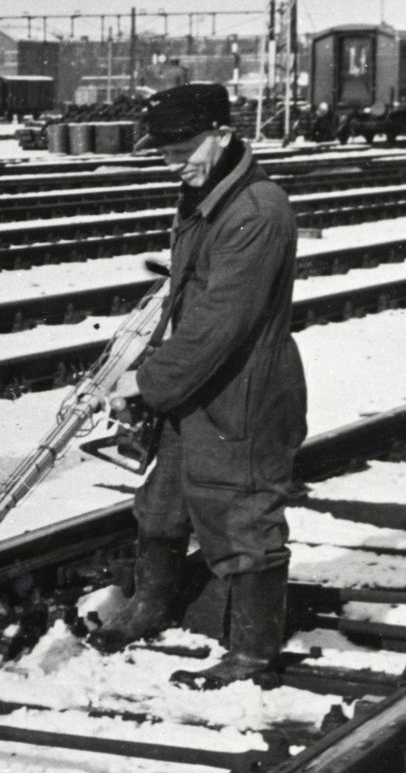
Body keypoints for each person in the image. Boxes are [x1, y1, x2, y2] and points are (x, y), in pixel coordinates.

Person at [89, 83, 307, 690]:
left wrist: (145, 381)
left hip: (244, 390)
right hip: (197, 382)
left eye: (183, 146)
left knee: (243, 513)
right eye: (163, 151)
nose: (173, 161)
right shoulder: (205, 193)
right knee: (162, 504)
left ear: (223, 132)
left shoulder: (256, 212)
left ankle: (253, 657)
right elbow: (189, 301)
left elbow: (220, 324)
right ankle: (150, 605)